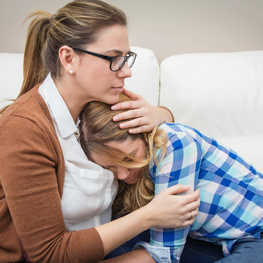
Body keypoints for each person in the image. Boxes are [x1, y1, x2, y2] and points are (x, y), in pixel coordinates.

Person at [0, 1, 201, 262]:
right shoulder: (24, 130)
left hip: (99, 241)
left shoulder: (94, 104)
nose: (126, 71)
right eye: (114, 58)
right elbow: (49, 255)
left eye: (126, 58)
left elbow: (155, 133)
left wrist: (162, 114)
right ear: (68, 58)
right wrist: (150, 215)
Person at [79, 93, 263, 263]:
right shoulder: (135, 171)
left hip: (257, 235)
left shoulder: (175, 144)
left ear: (145, 135)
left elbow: (165, 254)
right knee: (113, 242)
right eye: (109, 167)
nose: (123, 175)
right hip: (215, 242)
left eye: (129, 158)